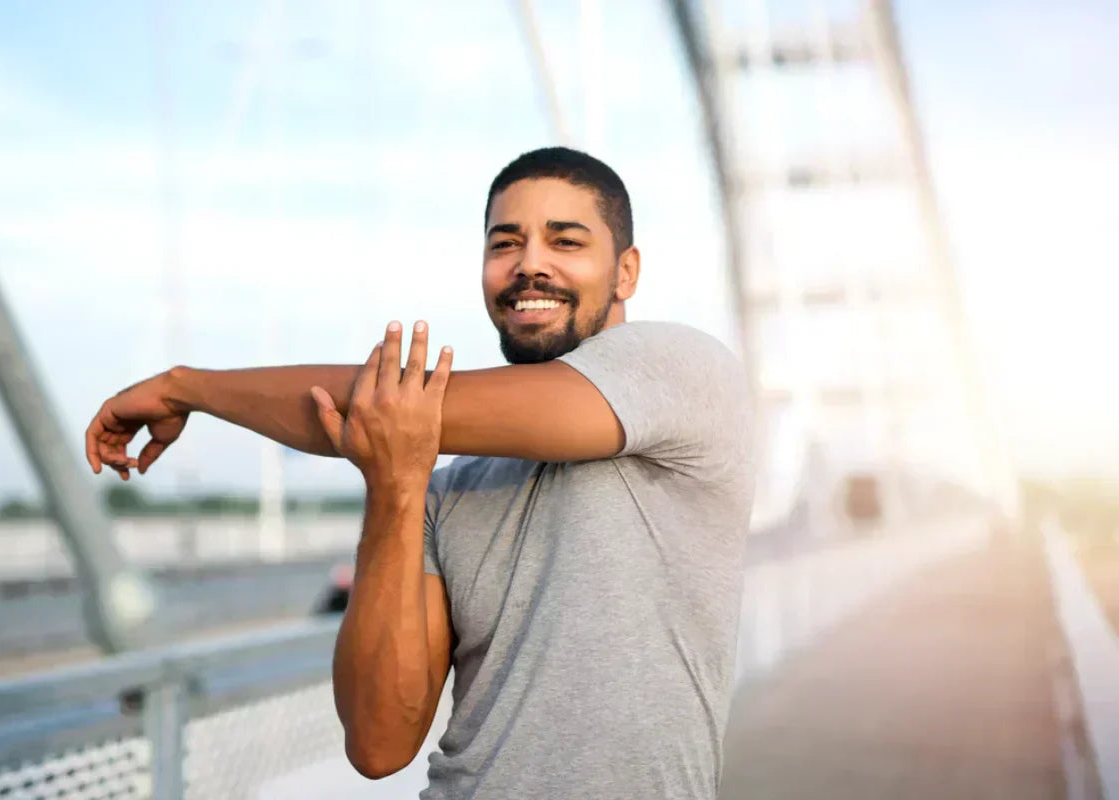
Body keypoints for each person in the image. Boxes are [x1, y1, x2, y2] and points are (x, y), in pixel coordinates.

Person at [85, 146, 756, 799]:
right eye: (504, 244)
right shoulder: (447, 487)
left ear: (626, 271)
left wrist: (184, 389)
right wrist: (395, 488)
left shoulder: (680, 368)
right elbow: (379, 747)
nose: (529, 266)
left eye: (566, 242)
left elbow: (385, 406)